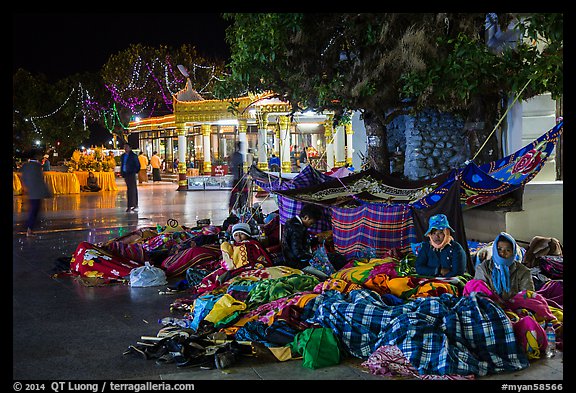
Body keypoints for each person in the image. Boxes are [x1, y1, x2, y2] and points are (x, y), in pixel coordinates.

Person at [472, 232, 535, 301]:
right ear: (494, 250)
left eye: (507, 250)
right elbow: (479, 293)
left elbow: (528, 297)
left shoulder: (523, 272)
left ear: (513, 253)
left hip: (515, 308)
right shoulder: (483, 268)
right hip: (490, 306)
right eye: (499, 249)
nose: (503, 253)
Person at [281, 203, 323, 269]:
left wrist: (316, 241)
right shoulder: (297, 228)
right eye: (311, 223)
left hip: (288, 260)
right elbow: (298, 253)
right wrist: (314, 258)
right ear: (306, 217)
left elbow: (301, 243)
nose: (311, 226)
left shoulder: (291, 222)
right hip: (295, 264)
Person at [20, 151, 51, 236]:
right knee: (35, 210)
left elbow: (23, 178)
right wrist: (47, 192)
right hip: (36, 191)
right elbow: (40, 180)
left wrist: (25, 188)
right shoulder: (37, 166)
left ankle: (29, 227)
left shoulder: (25, 166)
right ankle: (29, 228)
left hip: (30, 191)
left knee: (33, 209)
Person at [120, 142, 141, 212]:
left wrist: (134, 171)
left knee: (132, 189)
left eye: (126, 147)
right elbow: (122, 165)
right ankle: (131, 204)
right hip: (126, 174)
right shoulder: (123, 156)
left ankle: (132, 205)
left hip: (131, 174)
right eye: (124, 147)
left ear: (130, 148)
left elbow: (137, 165)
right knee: (129, 189)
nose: (125, 148)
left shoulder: (133, 156)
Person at [228, 141, 247, 213]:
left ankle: (235, 207)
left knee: (235, 194)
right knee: (239, 194)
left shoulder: (234, 155)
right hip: (239, 178)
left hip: (237, 177)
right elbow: (240, 167)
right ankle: (240, 207)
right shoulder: (238, 156)